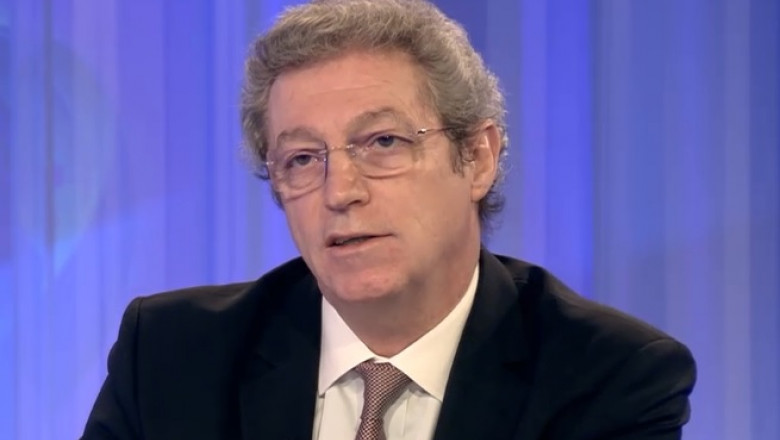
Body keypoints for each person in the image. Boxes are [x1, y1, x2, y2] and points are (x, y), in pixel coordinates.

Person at [82, 0, 696, 439]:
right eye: (303, 158)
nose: (340, 191)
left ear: (477, 158)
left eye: (382, 143)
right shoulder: (169, 358)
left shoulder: (608, 377)